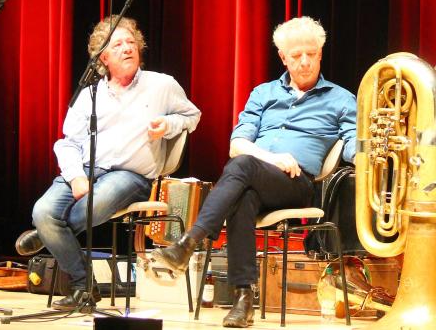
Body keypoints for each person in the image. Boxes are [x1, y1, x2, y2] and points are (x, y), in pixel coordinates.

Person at [151, 16, 356, 328]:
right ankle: (244, 299)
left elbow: (355, 146)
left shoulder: (340, 99)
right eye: (296, 56)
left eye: (311, 54)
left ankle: (190, 241)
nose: (304, 62)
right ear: (283, 57)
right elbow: (238, 144)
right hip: (256, 176)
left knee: (241, 169)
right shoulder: (263, 94)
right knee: (242, 194)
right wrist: (273, 159)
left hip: (299, 184)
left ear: (321, 54)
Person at [14, 17, 201, 310]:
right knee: (42, 211)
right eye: (118, 45)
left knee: (92, 205)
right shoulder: (90, 93)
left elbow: (192, 116)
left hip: (131, 175)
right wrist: (76, 176)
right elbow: (67, 142)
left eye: (131, 42)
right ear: (103, 57)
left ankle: (49, 239)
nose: (128, 49)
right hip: (87, 169)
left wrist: (168, 124)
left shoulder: (162, 84)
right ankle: (84, 285)